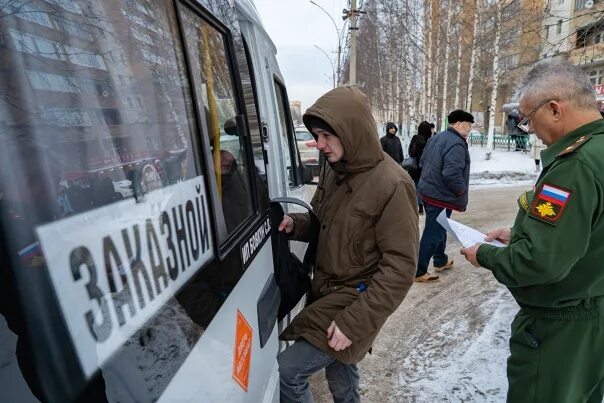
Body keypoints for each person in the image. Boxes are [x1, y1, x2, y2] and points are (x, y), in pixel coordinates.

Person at [460, 59, 604, 403]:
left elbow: (541, 263)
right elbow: (587, 230)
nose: (529, 129)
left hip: (559, 328)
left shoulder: (574, 167)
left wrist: (485, 255)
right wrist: (521, 234)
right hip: (593, 318)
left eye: (527, 120)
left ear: (554, 109)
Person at [276, 86, 419, 402]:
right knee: (339, 367)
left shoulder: (393, 184)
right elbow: (321, 220)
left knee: (289, 371)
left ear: (351, 130)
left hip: (356, 300)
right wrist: (296, 224)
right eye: (316, 135)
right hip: (326, 291)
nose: (320, 144)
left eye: (327, 135)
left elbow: (400, 269)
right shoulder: (333, 168)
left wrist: (353, 323)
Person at [414, 109, 473, 282]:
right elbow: (451, 173)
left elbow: (423, 161)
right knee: (434, 232)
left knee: (441, 226)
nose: (469, 128)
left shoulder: (437, 137)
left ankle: (440, 260)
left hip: (429, 191)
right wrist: (460, 190)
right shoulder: (456, 143)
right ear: (459, 124)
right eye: (468, 125)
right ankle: (419, 271)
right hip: (440, 196)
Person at [408, 121, 433, 215]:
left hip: (415, 169)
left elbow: (410, 152)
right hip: (427, 168)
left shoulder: (415, 138)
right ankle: (426, 205)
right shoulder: (430, 140)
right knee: (426, 188)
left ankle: (420, 207)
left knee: (418, 187)